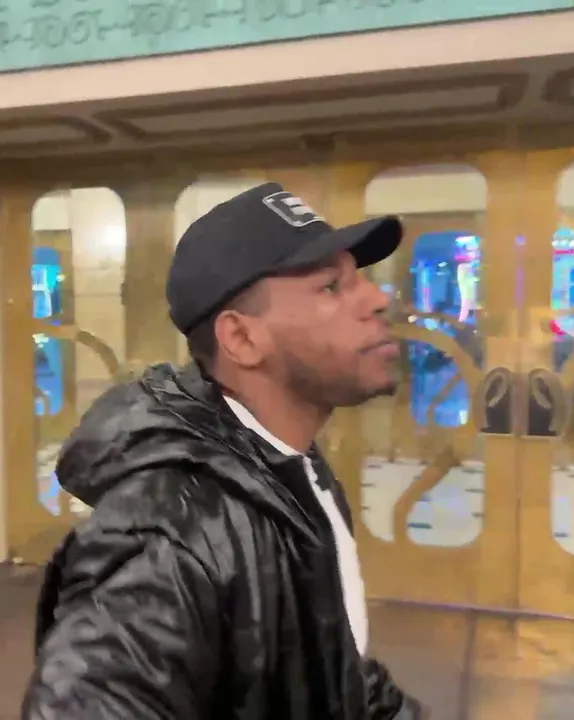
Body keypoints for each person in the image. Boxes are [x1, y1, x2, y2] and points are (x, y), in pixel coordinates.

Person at [22, 182, 423, 719]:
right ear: (241, 339)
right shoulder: (167, 539)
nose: (376, 299)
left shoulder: (292, 471)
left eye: (360, 279)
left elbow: (325, 668)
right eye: (331, 286)